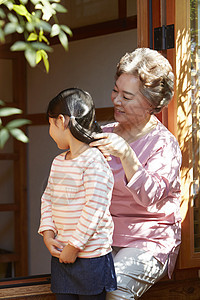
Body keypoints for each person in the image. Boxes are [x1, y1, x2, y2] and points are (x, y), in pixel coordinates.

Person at [89, 48, 182, 299]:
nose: (116, 100)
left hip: (148, 239)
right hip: (103, 234)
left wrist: (127, 156)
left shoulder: (164, 144)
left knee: (116, 289)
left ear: (151, 104)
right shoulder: (104, 133)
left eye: (127, 96)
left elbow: (150, 198)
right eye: (115, 91)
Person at [38, 88, 117, 300]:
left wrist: (74, 247)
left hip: (90, 257)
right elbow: (47, 198)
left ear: (61, 121)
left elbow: (95, 208)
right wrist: (48, 234)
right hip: (62, 254)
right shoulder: (58, 162)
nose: (49, 131)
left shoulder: (94, 161)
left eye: (50, 124)